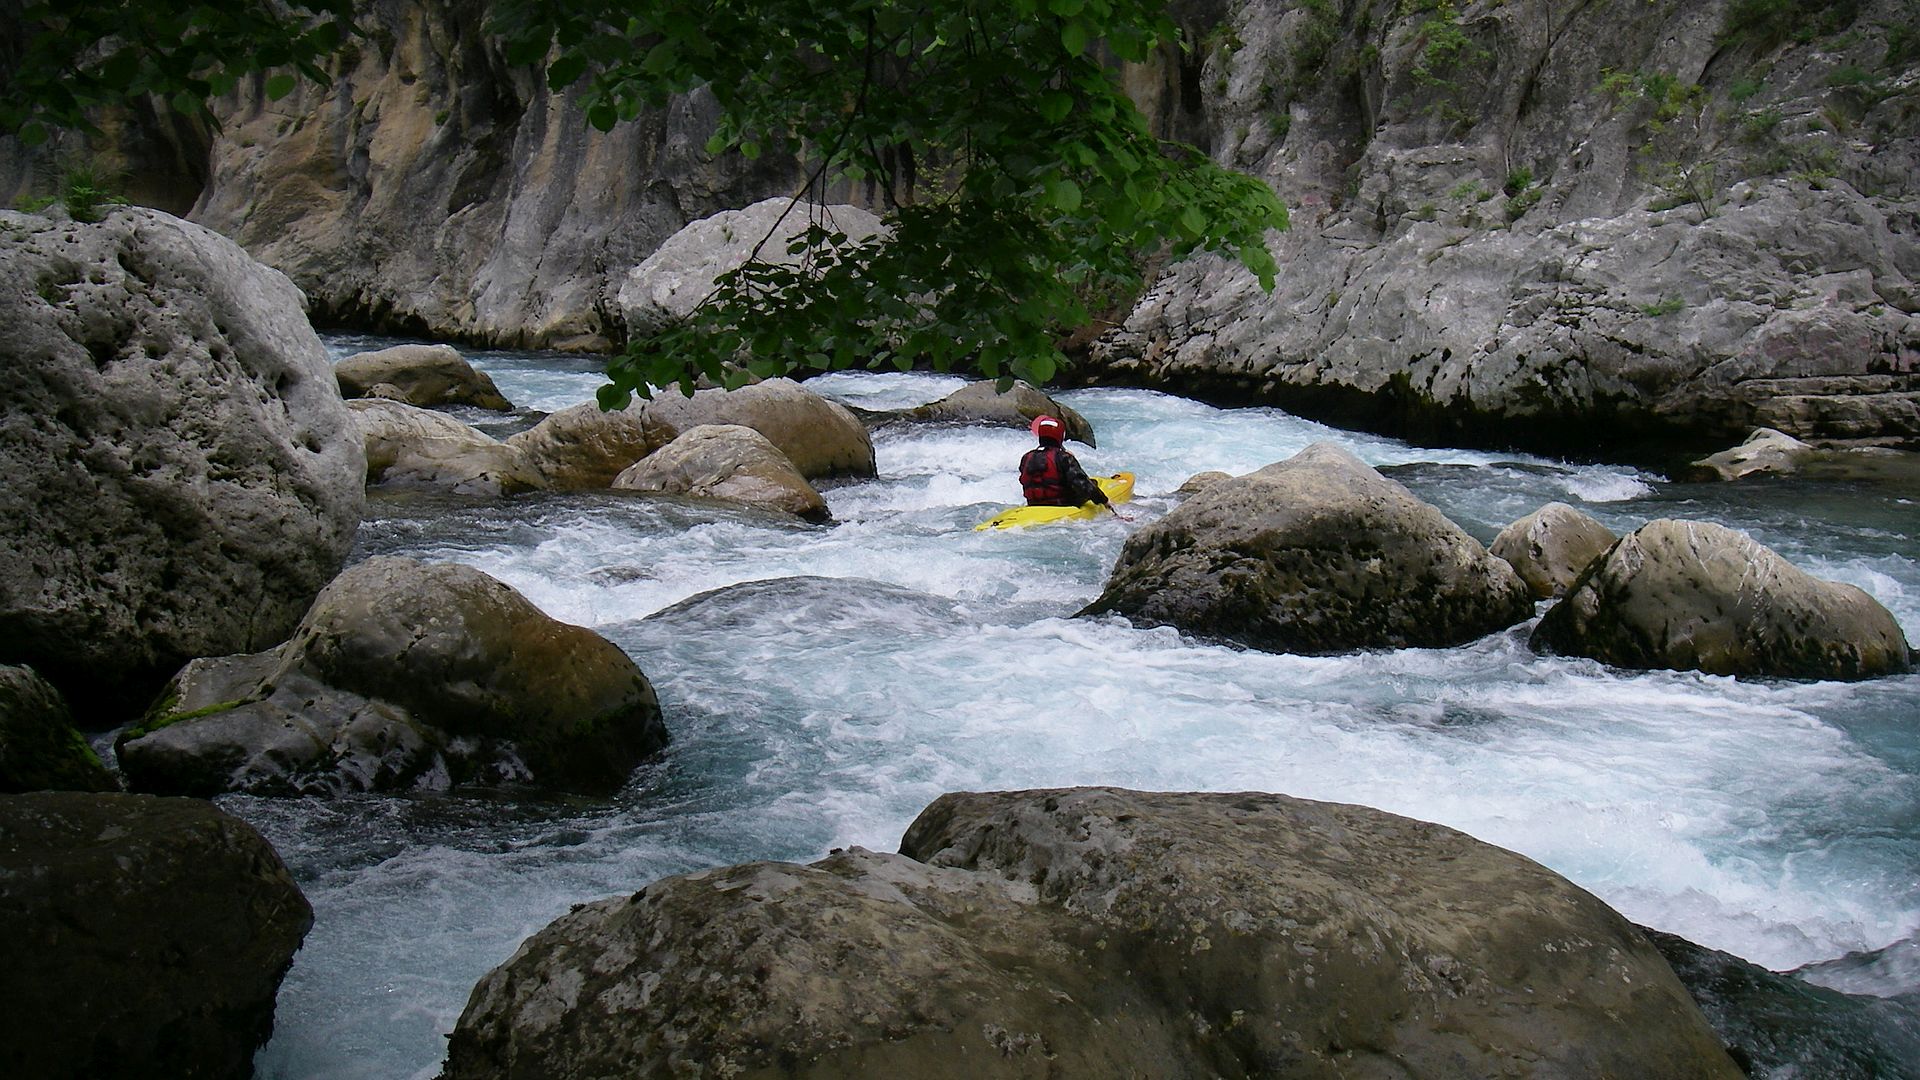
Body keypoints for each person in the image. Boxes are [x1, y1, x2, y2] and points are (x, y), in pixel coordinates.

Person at [1020, 414, 1110, 508]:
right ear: (1060, 436)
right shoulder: (1063, 457)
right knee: (1093, 483)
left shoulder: (1026, 457)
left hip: (1033, 504)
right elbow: (1083, 485)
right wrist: (1105, 501)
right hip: (1061, 504)